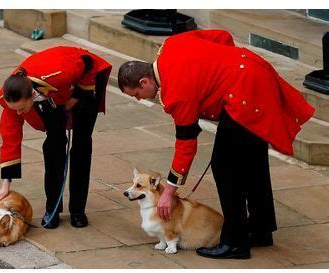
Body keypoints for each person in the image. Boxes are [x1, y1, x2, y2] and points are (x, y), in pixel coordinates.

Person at [117, 29, 315, 259]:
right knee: (253, 160)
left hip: (244, 96)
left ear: (144, 81)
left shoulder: (176, 93)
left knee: (225, 168)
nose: (140, 99)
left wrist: (169, 192)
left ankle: (235, 242)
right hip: (253, 71)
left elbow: (186, 145)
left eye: (137, 94)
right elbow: (222, 36)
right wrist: (225, 68)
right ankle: (261, 229)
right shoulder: (171, 44)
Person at [0, 46, 111, 229]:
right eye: (14, 109)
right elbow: (10, 140)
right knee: (53, 146)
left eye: (21, 108)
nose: (18, 113)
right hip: (52, 99)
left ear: (32, 95)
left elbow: (87, 64)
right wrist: (5, 184)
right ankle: (52, 209)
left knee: (81, 145)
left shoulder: (58, 73)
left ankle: (78, 210)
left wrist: (76, 97)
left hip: (83, 86)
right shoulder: (9, 99)